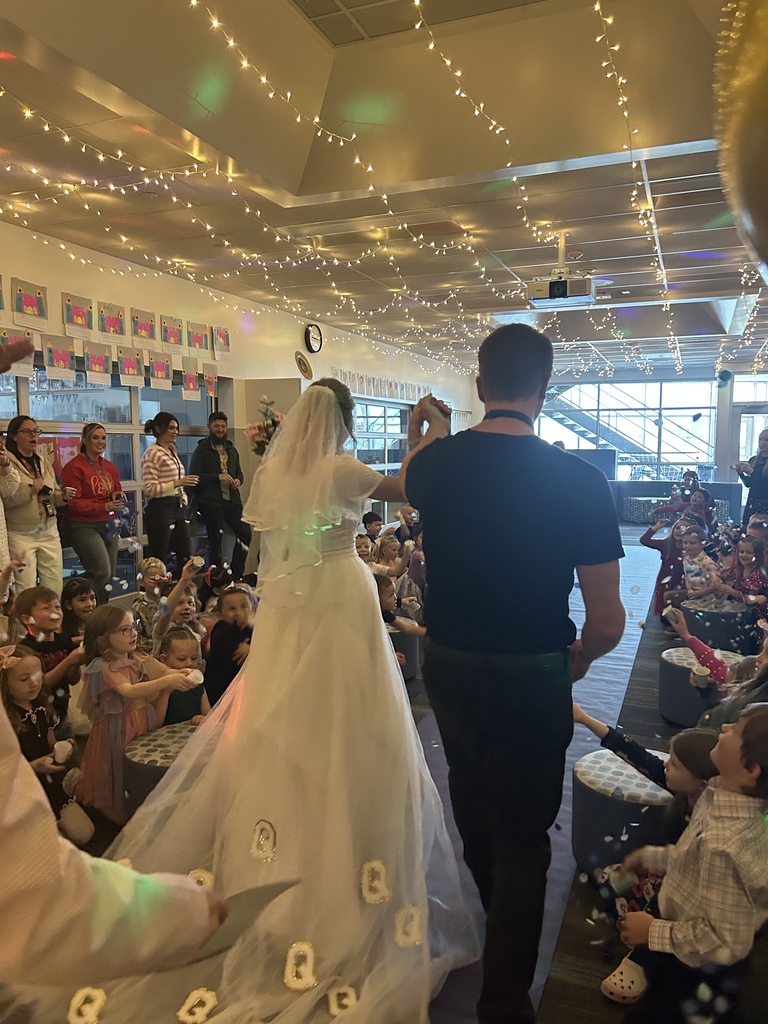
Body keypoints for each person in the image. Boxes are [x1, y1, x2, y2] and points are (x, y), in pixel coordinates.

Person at [48, 380, 478, 1024]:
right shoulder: (339, 467)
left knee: (294, 719)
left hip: (296, 605)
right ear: (345, 421)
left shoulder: (277, 477)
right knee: (353, 719)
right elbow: (412, 489)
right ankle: (344, 858)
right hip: (340, 599)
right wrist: (426, 435)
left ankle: (279, 855)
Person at [402, 323, 625, 1024]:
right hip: (534, 671)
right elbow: (608, 621)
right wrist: (574, 662)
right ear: (546, 388)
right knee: (526, 832)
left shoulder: (436, 465)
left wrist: (422, 432)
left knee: (471, 799)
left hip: (450, 666)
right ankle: (505, 1001)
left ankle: (503, 925)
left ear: (478, 384)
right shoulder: (581, 481)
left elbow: (412, 481)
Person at [617, 705, 768, 1023]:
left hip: (698, 969)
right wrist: (649, 856)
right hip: (682, 948)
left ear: (752, 768)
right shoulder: (717, 793)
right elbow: (691, 859)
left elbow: (725, 942)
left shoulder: (725, 845)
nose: (724, 726)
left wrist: (653, 931)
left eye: (736, 729)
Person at [76, 605, 198, 825]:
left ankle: (134, 802)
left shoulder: (136, 657)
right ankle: (108, 806)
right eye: (124, 630)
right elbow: (128, 691)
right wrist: (167, 681)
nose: (134, 633)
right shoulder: (104, 667)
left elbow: (162, 670)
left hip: (140, 721)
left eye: (134, 626)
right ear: (103, 638)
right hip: (118, 728)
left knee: (134, 768)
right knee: (113, 769)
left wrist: (179, 673)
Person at [3, 415, 73, 593]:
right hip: (21, 534)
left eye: (35, 431)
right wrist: (31, 491)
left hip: (48, 531)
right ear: (13, 436)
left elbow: (53, 493)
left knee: (55, 585)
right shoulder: (6, 463)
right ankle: (24, 621)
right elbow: (6, 500)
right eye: (27, 432)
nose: (33, 436)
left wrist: (63, 496)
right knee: (25, 588)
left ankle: (52, 620)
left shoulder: (42, 461)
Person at [61, 423, 125, 604]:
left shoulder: (110, 467)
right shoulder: (74, 467)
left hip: (109, 523)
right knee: (101, 571)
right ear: (85, 441)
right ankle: (86, 612)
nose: (100, 441)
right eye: (95, 437)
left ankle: (101, 613)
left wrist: (117, 494)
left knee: (109, 575)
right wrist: (101, 507)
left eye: (103, 438)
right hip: (84, 526)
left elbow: (115, 487)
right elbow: (72, 503)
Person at [190, 411, 252, 578]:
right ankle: (217, 578)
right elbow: (194, 477)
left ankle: (237, 574)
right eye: (216, 426)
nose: (220, 429)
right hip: (211, 503)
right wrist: (217, 477)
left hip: (232, 502)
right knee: (215, 541)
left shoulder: (232, 450)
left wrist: (238, 481)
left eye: (223, 426)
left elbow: (240, 474)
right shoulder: (202, 450)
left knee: (246, 533)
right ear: (209, 427)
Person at [141, 412, 199, 571]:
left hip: (176, 506)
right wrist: (178, 483)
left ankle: (181, 591)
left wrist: (181, 492)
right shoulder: (152, 453)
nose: (175, 432)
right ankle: (157, 593)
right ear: (159, 429)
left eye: (177, 428)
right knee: (160, 556)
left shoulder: (171, 450)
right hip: (160, 509)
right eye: (171, 428)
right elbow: (149, 489)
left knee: (185, 553)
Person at [60, 576, 97, 641]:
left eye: (92, 598)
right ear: (68, 605)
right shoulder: (59, 631)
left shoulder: (104, 626)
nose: (90, 604)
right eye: (82, 600)